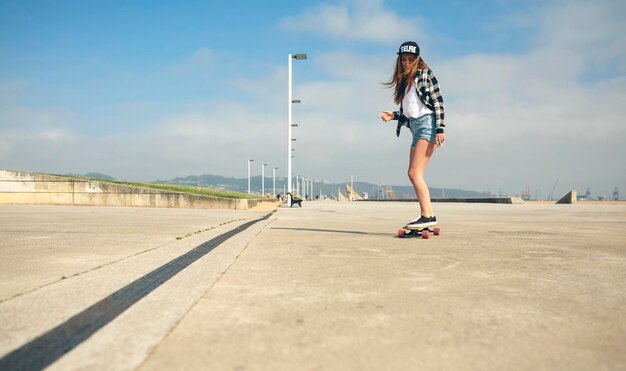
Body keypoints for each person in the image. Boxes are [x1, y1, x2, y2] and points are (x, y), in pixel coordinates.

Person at [379, 41, 446, 229]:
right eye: (403, 59)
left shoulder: (425, 75)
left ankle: (427, 216)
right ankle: (429, 214)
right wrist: (393, 116)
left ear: (417, 59)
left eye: (410, 59)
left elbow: (438, 102)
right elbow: (410, 113)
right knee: (414, 174)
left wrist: (440, 128)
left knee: (414, 173)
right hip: (416, 128)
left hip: (428, 125)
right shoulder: (405, 84)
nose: (407, 63)